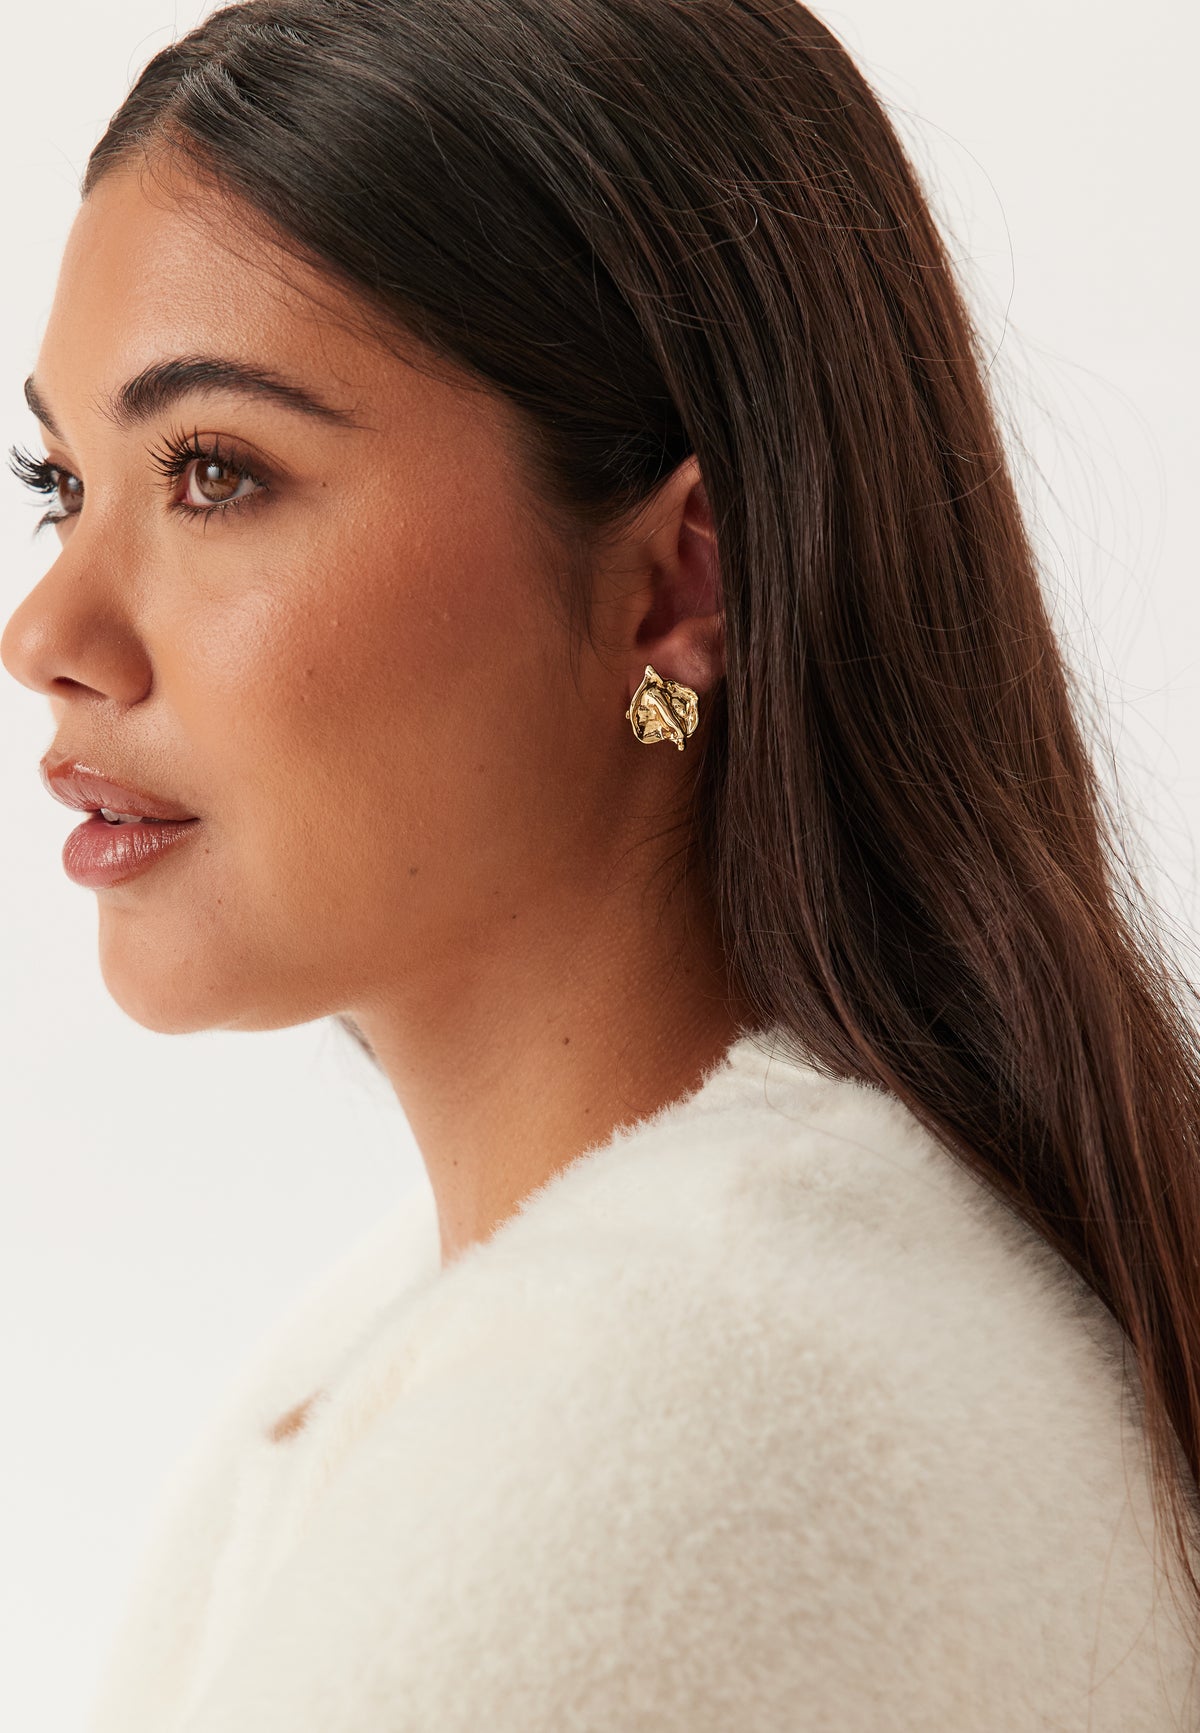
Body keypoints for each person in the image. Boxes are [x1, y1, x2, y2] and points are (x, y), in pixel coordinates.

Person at [4, 1, 1199, 1726]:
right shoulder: (757, 1315)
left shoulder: (669, 1420)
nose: (46, 632)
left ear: (675, 582)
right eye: (59, 481)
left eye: (214, 473)